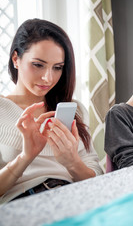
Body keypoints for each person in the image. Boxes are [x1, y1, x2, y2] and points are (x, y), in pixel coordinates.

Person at [0, 19, 103, 203]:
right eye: (38, 65)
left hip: (75, 197)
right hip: (25, 201)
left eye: (57, 68)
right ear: (16, 59)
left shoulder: (74, 109)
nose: (48, 78)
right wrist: (25, 157)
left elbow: (97, 180)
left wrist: (72, 162)